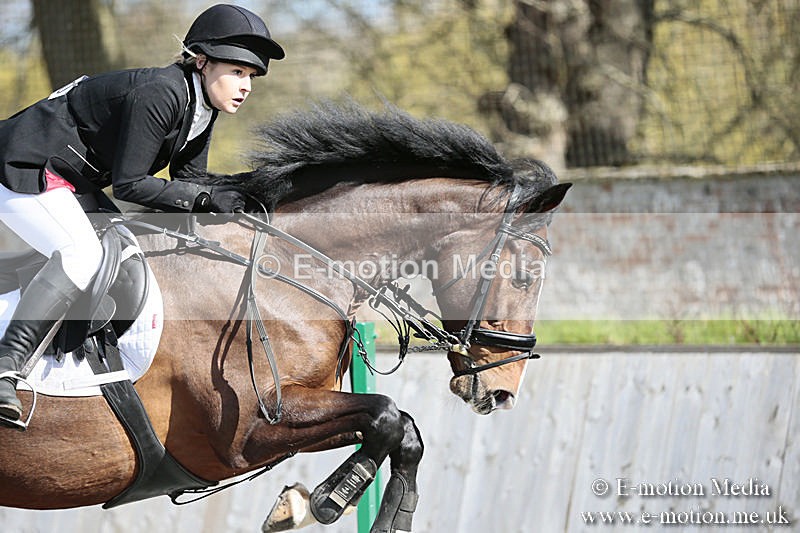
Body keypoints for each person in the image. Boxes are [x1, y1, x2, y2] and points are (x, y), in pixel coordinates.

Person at [0, 4, 285, 424]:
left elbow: (191, 178)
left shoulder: (199, 105)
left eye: (252, 78)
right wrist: (207, 201)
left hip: (72, 178)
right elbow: (131, 185)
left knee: (123, 249)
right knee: (81, 254)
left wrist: (252, 190)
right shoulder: (162, 92)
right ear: (202, 61)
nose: (245, 86)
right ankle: (7, 369)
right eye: (237, 72)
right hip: (26, 164)